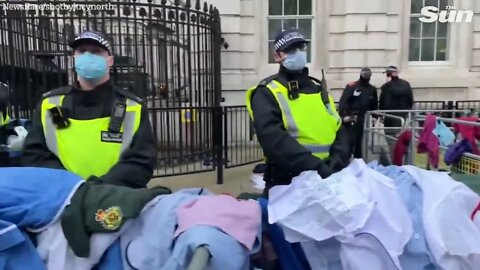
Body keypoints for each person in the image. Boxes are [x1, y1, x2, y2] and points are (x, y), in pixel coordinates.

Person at [21, 30, 157, 188]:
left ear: (110, 61)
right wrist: (73, 188)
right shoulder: (49, 104)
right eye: (82, 51)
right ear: (74, 57)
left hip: (118, 198)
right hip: (64, 198)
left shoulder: (133, 107)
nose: (88, 56)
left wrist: (98, 189)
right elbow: (35, 156)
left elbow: (141, 161)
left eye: (96, 51)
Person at [245, 28, 350, 193]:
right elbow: (275, 140)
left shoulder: (319, 89)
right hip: (288, 182)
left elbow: (339, 129)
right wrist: (317, 168)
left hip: (329, 179)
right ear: (277, 56)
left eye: (302, 48)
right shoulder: (267, 92)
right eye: (291, 50)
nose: (299, 53)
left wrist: (336, 163)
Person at [338, 67, 378, 159]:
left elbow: (374, 105)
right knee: (349, 141)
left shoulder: (372, 89)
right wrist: (344, 115)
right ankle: (345, 160)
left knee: (359, 142)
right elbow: (343, 102)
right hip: (350, 117)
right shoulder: (352, 86)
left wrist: (375, 116)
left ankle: (358, 160)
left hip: (362, 118)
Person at [379, 66, 414, 147]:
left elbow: (383, 101)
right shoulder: (406, 84)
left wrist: (380, 114)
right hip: (403, 114)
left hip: (390, 115)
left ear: (388, 74)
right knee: (400, 136)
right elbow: (410, 100)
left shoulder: (387, 86)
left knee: (390, 139)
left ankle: (393, 156)